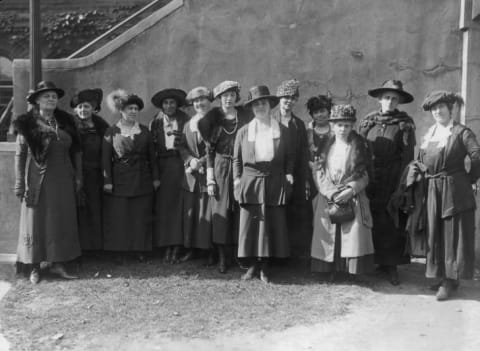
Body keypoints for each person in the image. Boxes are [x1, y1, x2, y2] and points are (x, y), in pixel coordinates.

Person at [13, 81, 81, 284]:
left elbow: (77, 151)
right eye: (46, 96)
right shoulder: (27, 123)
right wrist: (20, 183)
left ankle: (58, 263)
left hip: (63, 179)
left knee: (60, 219)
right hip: (38, 180)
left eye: (54, 96)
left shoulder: (66, 121)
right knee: (36, 221)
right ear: (36, 101)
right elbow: (20, 154)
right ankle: (35, 266)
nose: (51, 99)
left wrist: (79, 178)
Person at [419, 91, 480, 300]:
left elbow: (476, 155)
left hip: (454, 189)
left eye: (441, 107)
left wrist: (470, 179)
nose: (437, 112)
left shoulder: (462, 132)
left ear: (450, 109)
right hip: (433, 188)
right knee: (435, 232)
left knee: (452, 234)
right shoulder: (431, 132)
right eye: (434, 109)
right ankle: (439, 275)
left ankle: (449, 280)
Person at [233, 85, 294, 283]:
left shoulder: (282, 130)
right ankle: (252, 265)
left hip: (274, 181)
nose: (260, 107)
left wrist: (289, 174)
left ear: (270, 106)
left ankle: (266, 267)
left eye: (263, 103)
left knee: (271, 224)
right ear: (251, 108)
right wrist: (236, 180)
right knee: (251, 225)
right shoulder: (243, 132)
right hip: (250, 182)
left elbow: (290, 156)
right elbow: (236, 159)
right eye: (256, 104)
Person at [358, 79, 415, 285]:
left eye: (394, 98)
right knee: (371, 217)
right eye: (386, 98)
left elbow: (408, 156)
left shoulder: (404, 124)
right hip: (371, 177)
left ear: (398, 101)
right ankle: (375, 262)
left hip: (392, 178)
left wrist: (402, 186)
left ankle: (390, 265)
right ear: (379, 99)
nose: (390, 102)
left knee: (390, 219)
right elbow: (358, 149)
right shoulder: (368, 122)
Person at [310, 104, 374, 279]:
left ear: (352, 126)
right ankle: (328, 269)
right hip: (328, 195)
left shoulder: (361, 146)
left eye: (347, 125)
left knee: (352, 232)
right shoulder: (325, 147)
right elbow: (318, 172)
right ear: (332, 126)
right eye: (339, 125)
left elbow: (366, 174)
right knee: (327, 231)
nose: (343, 129)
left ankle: (349, 271)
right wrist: (331, 192)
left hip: (351, 194)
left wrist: (351, 189)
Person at [197, 81, 252, 270]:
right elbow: (209, 152)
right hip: (220, 168)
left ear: (237, 97)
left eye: (231, 95)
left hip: (242, 168)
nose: (228, 99)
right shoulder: (212, 120)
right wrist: (210, 179)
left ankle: (239, 254)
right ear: (219, 99)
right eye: (224, 96)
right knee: (221, 211)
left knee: (240, 210)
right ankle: (222, 257)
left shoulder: (245, 116)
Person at [102, 90, 160, 261]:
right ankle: (120, 251)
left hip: (142, 178)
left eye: (136, 108)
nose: (133, 111)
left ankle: (139, 249)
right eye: (130, 108)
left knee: (140, 215)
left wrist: (156, 178)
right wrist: (107, 181)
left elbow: (152, 157)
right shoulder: (111, 131)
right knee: (121, 216)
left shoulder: (144, 131)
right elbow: (105, 160)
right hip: (120, 180)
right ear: (122, 111)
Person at [149, 88, 189, 263]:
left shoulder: (185, 120)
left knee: (179, 206)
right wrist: (155, 174)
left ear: (177, 104)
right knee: (164, 207)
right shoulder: (155, 122)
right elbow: (152, 150)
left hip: (180, 165)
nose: (169, 105)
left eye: (172, 102)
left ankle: (178, 246)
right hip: (163, 167)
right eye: (166, 103)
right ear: (162, 106)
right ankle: (166, 246)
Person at [178, 87, 215, 268]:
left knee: (208, 212)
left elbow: (220, 147)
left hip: (211, 173)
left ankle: (209, 251)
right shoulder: (188, 124)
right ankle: (192, 248)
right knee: (192, 213)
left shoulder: (217, 122)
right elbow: (182, 146)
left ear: (210, 101)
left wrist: (201, 161)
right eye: (196, 101)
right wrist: (190, 160)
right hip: (192, 176)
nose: (200, 104)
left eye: (203, 100)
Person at [273, 79, 310, 256]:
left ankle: (291, 254)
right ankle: (274, 253)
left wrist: (302, 179)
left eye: (292, 98)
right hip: (274, 173)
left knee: (294, 211)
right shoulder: (270, 120)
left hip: (294, 174)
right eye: (285, 98)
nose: (289, 101)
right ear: (279, 99)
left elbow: (303, 152)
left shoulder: (299, 124)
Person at [71, 88, 109, 252]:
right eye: (79, 107)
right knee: (77, 209)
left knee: (95, 208)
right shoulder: (70, 126)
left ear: (93, 108)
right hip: (75, 172)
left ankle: (95, 247)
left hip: (95, 174)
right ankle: (78, 248)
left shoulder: (101, 126)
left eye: (86, 107)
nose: (83, 110)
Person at [306, 95, 334, 198]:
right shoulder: (307, 134)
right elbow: (303, 157)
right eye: (315, 112)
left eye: (322, 111)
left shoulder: (337, 132)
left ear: (329, 112)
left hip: (334, 179)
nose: (319, 115)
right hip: (313, 181)